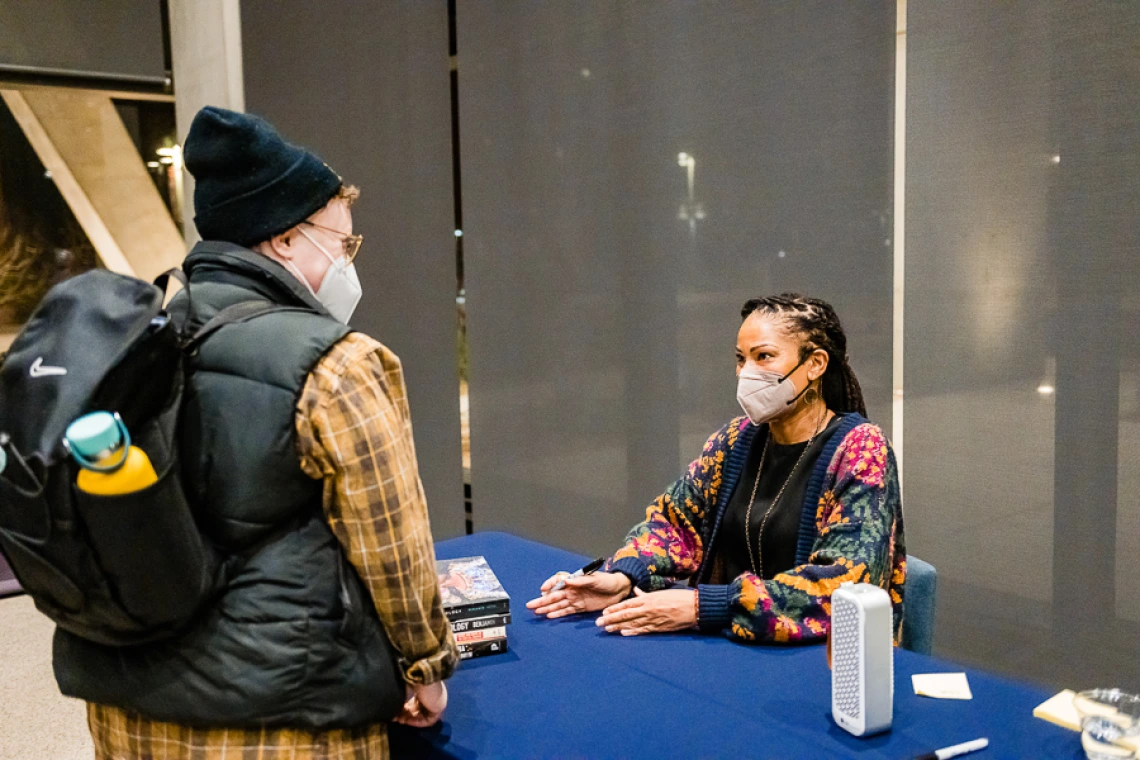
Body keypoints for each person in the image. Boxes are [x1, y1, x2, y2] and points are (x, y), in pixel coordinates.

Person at [53, 107, 458, 759]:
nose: (350, 262)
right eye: (344, 243)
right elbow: (392, 547)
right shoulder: (337, 364)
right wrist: (426, 668)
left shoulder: (130, 342)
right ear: (285, 240)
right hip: (278, 725)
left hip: (123, 709)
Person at [528, 294, 906, 644]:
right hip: (727, 647)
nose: (746, 373)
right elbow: (674, 524)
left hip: (815, 662)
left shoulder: (859, 449)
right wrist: (623, 576)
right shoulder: (735, 441)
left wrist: (703, 606)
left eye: (764, 357)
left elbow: (844, 589)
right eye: (741, 358)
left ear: (815, 364)